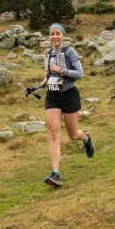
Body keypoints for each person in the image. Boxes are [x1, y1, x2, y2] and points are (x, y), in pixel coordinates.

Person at [38, 22, 94, 188]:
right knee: (54, 133)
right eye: (52, 34)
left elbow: (80, 73)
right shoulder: (48, 53)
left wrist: (61, 71)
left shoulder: (70, 52)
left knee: (73, 135)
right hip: (52, 96)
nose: (54, 36)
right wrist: (45, 80)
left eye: (57, 33)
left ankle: (86, 138)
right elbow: (50, 72)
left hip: (69, 95)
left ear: (63, 35)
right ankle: (55, 174)